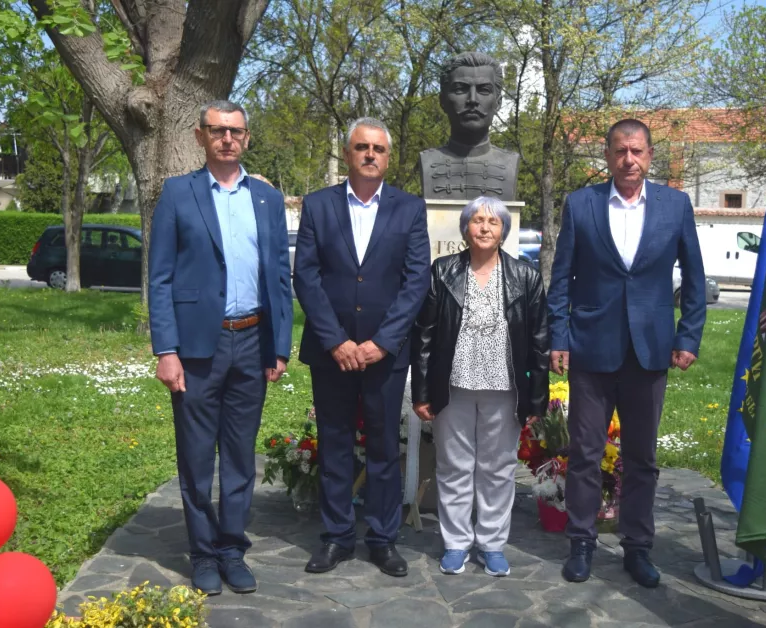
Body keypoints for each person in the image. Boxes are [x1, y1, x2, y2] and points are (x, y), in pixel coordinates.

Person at [546, 119, 706, 589]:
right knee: (584, 454)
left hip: (650, 350)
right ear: (607, 156)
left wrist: (688, 337)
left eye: (636, 151)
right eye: (620, 151)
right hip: (591, 347)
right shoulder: (581, 204)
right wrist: (559, 337)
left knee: (641, 457)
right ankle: (581, 543)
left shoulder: (675, 205)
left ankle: (637, 547)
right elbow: (561, 278)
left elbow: (695, 277)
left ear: (650, 155)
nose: (628, 159)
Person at [148, 100, 293, 596]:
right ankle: (203, 554)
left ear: (247, 138)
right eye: (217, 131)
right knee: (195, 458)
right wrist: (166, 350)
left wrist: (279, 347)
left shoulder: (267, 198)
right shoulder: (178, 193)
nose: (227, 139)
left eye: (235, 131)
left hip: (253, 341)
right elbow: (160, 277)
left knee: (239, 456)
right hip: (195, 349)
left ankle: (231, 549)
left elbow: (279, 276)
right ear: (200, 136)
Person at [293, 117, 431, 577]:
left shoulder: (409, 208)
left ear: (388, 157)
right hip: (330, 351)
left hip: (384, 355)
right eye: (362, 147)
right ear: (347, 152)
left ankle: (382, 539)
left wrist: (382, 342)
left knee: (384, 446)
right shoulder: (318, 205)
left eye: (379, 149)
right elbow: (306, 277)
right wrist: (336, 341)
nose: (371, 154)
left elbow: (416, 281)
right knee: (334, 444)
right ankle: (336, 537)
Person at [412, 196, 548, 577]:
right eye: (477, 221)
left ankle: (491, 543)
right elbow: (423, 335)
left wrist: (537, 397)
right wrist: (422, 392)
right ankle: (456, 542)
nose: (485, 228)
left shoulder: (525, 277)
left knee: (498, 468)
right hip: (453, 386)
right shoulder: (443, 272)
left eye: (493, 222)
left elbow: (540, 340)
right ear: (465, 228)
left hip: (505, 389)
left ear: (503, 230)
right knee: (453, 466)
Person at [418, 52, 520, 201]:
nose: (472, 100)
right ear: (442, 101)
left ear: (498, 102)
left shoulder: (510, 163)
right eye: (460, 89)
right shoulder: (427, 160)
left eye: (483, 90)